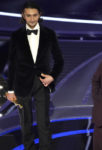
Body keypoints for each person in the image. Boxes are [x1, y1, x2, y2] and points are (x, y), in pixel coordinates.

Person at [6, 1, 64, 150]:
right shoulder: (16, 35)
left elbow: (59, 60)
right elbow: (12, 64)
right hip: (21, 83)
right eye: (28, 16)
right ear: (23, 16)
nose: (32, 19)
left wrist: (52, 76)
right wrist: (10, 90)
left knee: (43, 122)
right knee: (25, 122)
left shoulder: (49, 34)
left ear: (40, 15)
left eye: (35, 15)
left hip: (42, 82)